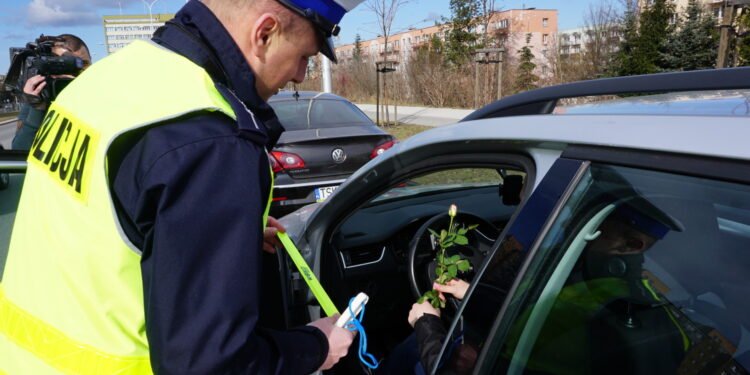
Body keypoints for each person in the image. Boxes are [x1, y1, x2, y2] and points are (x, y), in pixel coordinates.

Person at [1, 0, 362, 374]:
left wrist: (208, 233)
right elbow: (209, 364)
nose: (302, 76)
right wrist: (316, 346)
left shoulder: (104, 81)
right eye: (305, 56)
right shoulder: (210, 139)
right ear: (265, 33)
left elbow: (104, 222)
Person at [12, 34, 91, 150]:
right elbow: (19, 150)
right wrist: (38, 109)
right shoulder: (40, 97)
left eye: (83, 64)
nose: (76, 71)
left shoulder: (98, 91)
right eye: (65, 64)